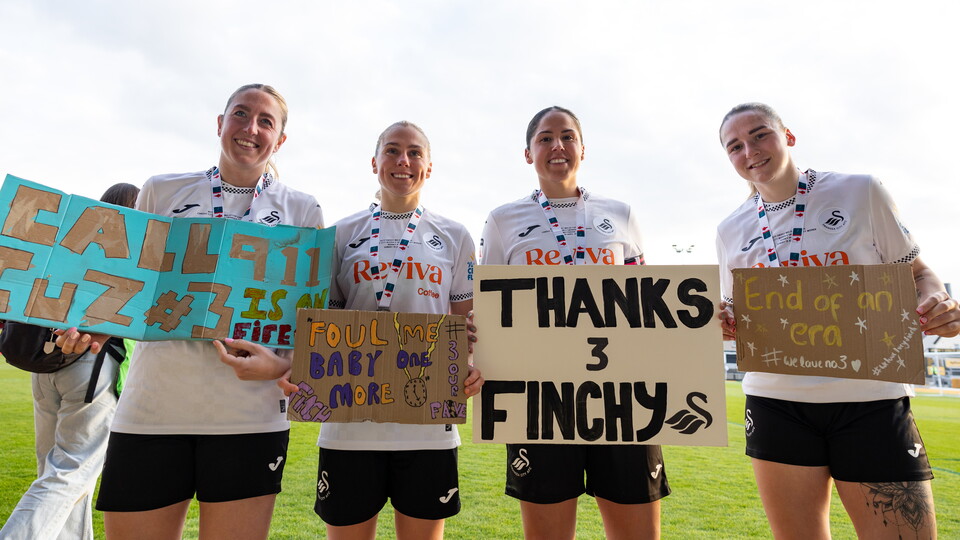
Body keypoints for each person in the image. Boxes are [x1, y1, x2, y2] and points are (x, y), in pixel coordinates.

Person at [217, 120, 483, 540]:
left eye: (414, 153)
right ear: (374, 162)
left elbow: (469, 325)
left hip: (428, 429)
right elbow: (322, 320)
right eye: (392, 150)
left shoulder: (455, 236)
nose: (403, 161)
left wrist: (469, 365)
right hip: (348, 426)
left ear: (428, 168)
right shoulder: (341, 233)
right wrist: (296, 365)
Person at [89, 84, 324, 540]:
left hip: (249, 417)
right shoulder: (162, 190)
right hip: (152, 410)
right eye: (240, 114)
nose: (250, 128)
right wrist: (96, 324)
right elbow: (132, 288)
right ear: (220, 124)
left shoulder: (303, 209)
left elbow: (308, 329)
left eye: (265, 121)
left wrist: (280, 364)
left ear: (280, 140)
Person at [716, 102, 960, 540]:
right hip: (777, 402)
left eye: (759, 135)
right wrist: (724, 319)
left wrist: (938, 300)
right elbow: (735, 309)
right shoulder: (730, 228)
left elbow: (920, 274)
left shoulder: (860, 191)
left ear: (788, 136)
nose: (749, 150)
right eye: (735, 146)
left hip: (870, 396)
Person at [479, 106, 670, 540]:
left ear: (583, 148)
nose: (557, 146)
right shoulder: (502, 220)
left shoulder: (620, 213)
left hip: (622, 396)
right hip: (539, 399)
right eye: (544, 138)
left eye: (567, 136)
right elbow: (488, 310)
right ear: (528, 154)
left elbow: (649, 303)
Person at [0, 183, 138, 540]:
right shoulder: (131, 254)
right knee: (70, 474)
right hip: (92, 365)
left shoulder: (74, 250)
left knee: (56, 474)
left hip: (45, 367)